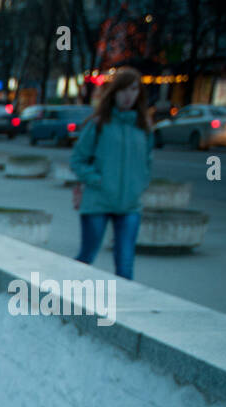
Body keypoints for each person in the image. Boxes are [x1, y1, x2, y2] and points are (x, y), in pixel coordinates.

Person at [70, 66, 153, 280]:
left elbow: (147, 163)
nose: (128, 96)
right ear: (113, 93)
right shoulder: (98, 125)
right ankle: (63, 301)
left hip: (130, 205)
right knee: (87, 256)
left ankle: (121, 312)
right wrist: (98, 179)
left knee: (125, 264)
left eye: (134, 90)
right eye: (123, 90)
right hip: (98, 201)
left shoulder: (143, 128)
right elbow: (77, 160)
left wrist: (140, 184)